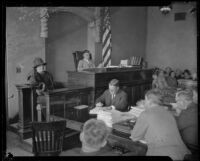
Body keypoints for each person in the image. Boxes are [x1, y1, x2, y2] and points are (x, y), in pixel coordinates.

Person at [130, 89, 191, 160]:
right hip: (184, 154)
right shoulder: (170, 113)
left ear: (149, 101)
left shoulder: (145, 113)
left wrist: (133, 130)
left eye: (145, 100)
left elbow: (134, 137)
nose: (144, 102)